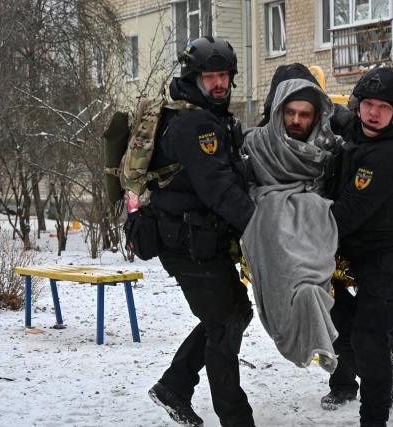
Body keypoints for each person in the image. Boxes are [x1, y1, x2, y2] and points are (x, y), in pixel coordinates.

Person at [146, 36, 256, 427]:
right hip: (186, 241)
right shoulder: (195, 123)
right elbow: (218, 188)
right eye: (210, 76)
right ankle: (236, 419)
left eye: (224, 75)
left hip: (202, 238)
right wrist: (259, 227)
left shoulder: (211, 116)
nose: (219, 83)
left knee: (234, 313)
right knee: (225, 324)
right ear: (194, 78)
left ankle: (174, 386)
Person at [322, 68, 393, 427]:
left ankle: (374, 417)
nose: (372, 112)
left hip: (392, 258)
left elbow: (347, 214)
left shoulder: (391, 154)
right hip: (361, 253)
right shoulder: (363, 133)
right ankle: (381, 368)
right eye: (367, 103)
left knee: (368, 338)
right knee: (342, 322)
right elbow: (340, 122)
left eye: (383, 106)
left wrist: (294, 232)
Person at [240, 78, 342, 373]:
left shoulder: (327, 149)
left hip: (313, 228)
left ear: (316, 116)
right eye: (290, 112)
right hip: (270, 227)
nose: (296, 120)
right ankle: (296, 320)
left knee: (312, 284)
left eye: (304, 114)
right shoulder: (257, 143)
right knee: (284, 279)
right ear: (279, 111)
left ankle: (314, 313)